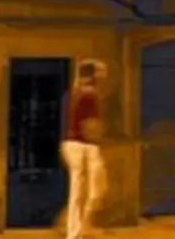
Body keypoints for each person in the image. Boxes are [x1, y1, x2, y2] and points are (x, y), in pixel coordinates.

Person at [62, 59, 107, 239]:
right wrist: (98, 137)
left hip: (73, 144)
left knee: (79, 191)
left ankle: (76, 230)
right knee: (95, 189)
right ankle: (77, 230)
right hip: (84, 145)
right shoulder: (89, 94)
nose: (103, 77)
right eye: (99, 73)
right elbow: (90, 125)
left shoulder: (74, 93)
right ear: (92, 75)